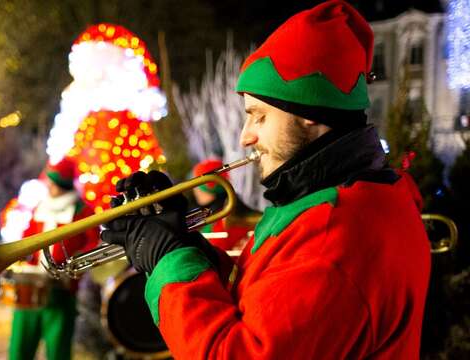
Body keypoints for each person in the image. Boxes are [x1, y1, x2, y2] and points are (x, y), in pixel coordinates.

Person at [101, 1, 431, 358]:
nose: (244, 136)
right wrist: (186, 244)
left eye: (258, 116)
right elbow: (264, 299)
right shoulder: (344, 201)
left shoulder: (332, 240)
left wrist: (169, 258)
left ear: (308, 114)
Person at [8, 157, 99, 360]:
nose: (48, 184)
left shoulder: (83, 211)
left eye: (52, 181)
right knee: (20, 347)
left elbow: (94, 244)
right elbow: (27, 239)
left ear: (61, 183)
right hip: (30, 287)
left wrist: (75, 264)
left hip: (61, 289)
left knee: (58, 349)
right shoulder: (40, 206)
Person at [191, 159, 253, 251]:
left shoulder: (220, 224)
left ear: (211, 188)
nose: (195, 190)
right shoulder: (217, 215)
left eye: (197, 185)